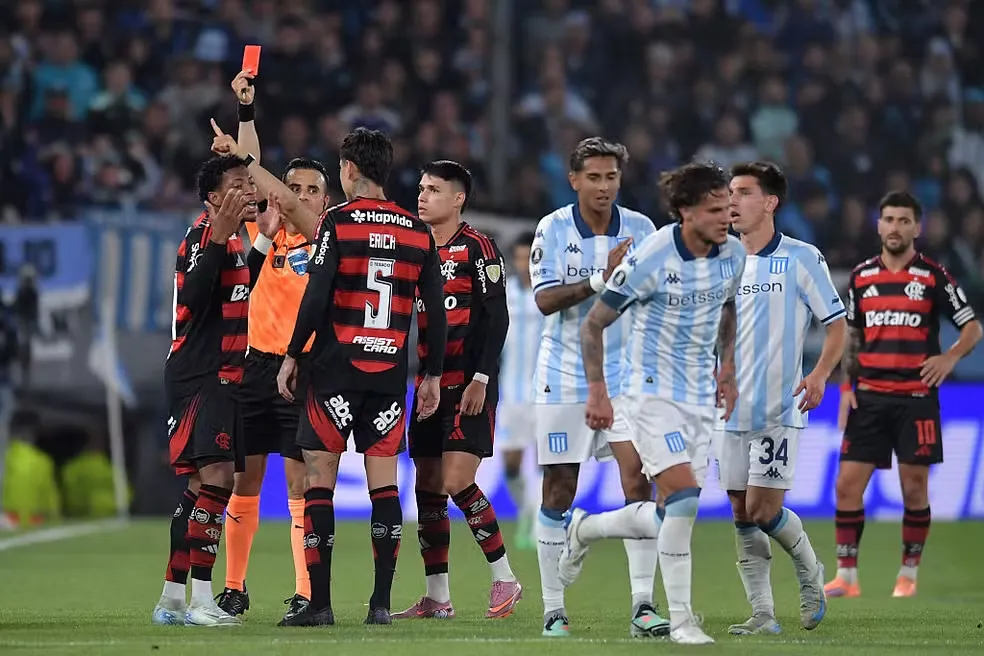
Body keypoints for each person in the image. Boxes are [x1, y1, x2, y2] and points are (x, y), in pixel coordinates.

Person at [215, 126, 446, 626]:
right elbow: (434, 314)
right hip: (388, 373)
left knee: (319, 481)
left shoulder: (337, 223)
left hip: (336, 370)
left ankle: (317, 604)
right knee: (383, 489)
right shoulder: (417, 229)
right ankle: (380, 605)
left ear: (347, 171)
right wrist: (430, 373)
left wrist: (296, 354)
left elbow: (317, 297)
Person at [556, 162, 746, 646]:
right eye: (714, 210)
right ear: (685, 211)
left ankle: (586, 529)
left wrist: (727, 368)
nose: (727, 218)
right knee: (683, 498)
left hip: (700, 397)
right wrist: (599, 392)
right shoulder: (651, 257)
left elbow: (727, 308)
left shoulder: (735, 254)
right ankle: (682, 621)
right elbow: (592, 325)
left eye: (729, 208)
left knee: (668, 514)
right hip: (650, 392)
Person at [529, 137, 668, 639]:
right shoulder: (553, 227)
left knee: (639, 481)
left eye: (611, 177)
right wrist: (598, 279)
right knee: (559, 486)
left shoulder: (643, 229)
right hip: (564, 373)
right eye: (594, 177)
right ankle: (553, 610)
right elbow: (544, 300)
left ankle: (643, 606)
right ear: (574, 180)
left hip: (627, 376)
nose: (604, 186)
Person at [215, 71, 332, 625]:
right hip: (253, 364)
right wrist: (246, 111)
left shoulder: (328, 237)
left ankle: (306, 592)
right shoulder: (260, 233)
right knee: (245, 480)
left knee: (300, 484)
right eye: (295, 188)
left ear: (325, 199)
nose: (300, 197)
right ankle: (233, 587)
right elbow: (249, 168)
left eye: (311, 190)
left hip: (302, 368)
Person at [826, 190, 982, 599]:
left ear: (917, 227)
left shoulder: (933, 276)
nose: (895, 227)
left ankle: (907, 575)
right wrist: (846, 386)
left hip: (917, 398)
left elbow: (972, 327)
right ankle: (847, 577)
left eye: (903, 220)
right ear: (878, 225)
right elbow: (853, 337)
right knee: (846, 486)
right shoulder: (861, 277)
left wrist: (949, 359)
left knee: (914, 489)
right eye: (889, 219)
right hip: (869, 396)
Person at [393, 160, 521, 621]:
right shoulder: (415, 248)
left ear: (458, 198)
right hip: (429, 385)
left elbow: (496, 318)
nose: (422, 195)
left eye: (433, 189)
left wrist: (482, 379)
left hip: (470, 386)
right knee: (427, 488)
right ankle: (437, 597)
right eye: (421, 187)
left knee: (455, 481)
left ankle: (506, 577)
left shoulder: (478, 248)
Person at [720, 161, 844, 635]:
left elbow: (835, 326)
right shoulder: (719, 259)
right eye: (730, 192)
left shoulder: (800, 257)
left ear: (770, 202)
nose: (733, 200)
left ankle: (811, 571)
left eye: (744, 192)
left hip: (780, 405)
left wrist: (819, 374)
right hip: (727, 409)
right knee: (738, 508)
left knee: (763, 510)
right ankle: (763, 614)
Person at [151, 154, 260, 627]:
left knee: (200, 487)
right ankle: (202, 600)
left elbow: (235, 291)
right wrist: (219, 237)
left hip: (223, 375)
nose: (250, 192)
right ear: (215, 198)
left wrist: (264, 242)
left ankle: (172, 600)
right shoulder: (203, 236)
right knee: (217, 480)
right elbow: (193, 298)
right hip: (203, 374)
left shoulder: (230, 240)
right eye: (239, 185)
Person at [497, 231, 544, 550]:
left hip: (545, 392)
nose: (524, 264)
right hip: (510, 392)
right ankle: (526, 511)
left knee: (544, 462)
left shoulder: (548, 296)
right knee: (510, 463)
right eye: (518, 257)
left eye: (529, 257)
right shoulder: (505, 294)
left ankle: (536, 523)